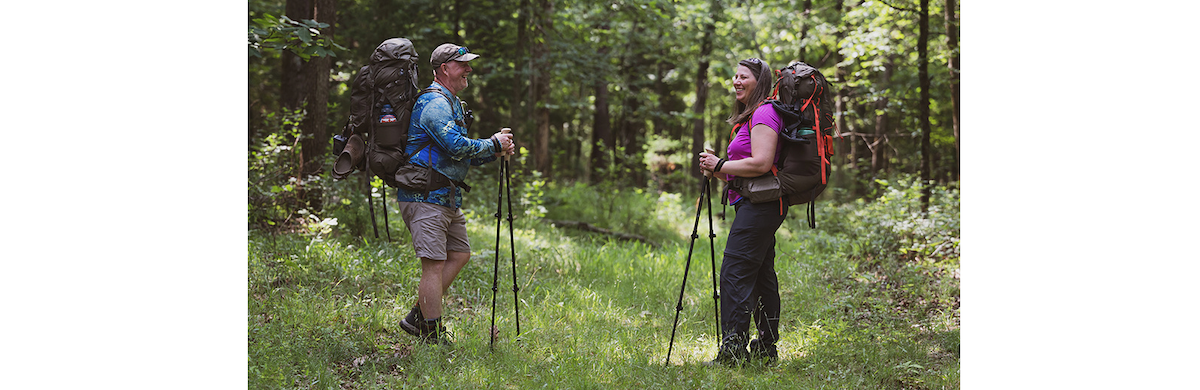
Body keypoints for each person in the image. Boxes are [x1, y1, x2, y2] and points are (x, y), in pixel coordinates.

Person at [397, 43, 515, 344]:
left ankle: (418, 317)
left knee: (460, 254)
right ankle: (432, 334)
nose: (469, 70)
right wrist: (493, 143)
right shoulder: (434, 104)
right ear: (444, 68)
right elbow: (458, 146)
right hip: (425, 197)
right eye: (462, 64)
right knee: (434, 265)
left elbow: (466, 155)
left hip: (445, 197)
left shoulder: (452, 104)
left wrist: (495, 151)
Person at [697, 57, 786, 365]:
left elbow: (761, 163)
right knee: (761, 275)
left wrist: (720, 164)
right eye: (734, 76)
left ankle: (733, 352)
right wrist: (716, 167)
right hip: (754, 203)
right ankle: (766, 349)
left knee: (734, 273)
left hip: (761, 208)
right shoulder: (751, 116)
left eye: (743, 76)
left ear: (758, 81)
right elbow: (742, 172)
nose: (736, 81)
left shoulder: (764, 113)